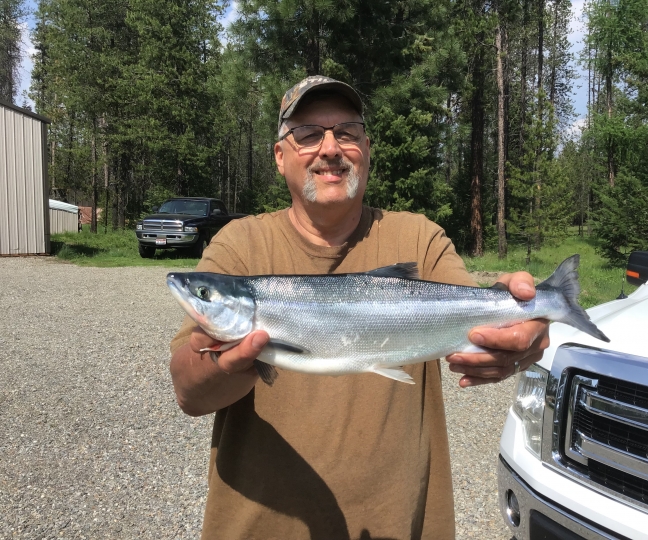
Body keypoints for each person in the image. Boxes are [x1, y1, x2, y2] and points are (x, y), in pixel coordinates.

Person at [169, 75, 550, 540]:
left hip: (399, 525)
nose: (330, 148)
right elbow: (189, 393)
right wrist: (229, 366)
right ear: (279, 155)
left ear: (366, 149)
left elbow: (477, 316)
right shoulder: (239, 245)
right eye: (308, 134)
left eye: (346, 132)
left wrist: (517, 330)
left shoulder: (420, 237)